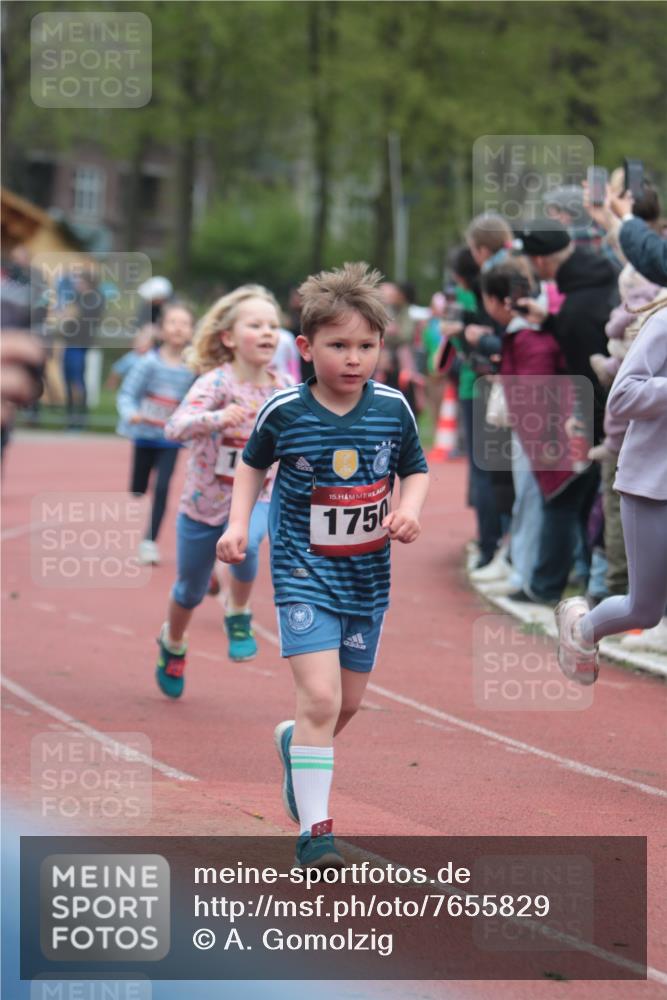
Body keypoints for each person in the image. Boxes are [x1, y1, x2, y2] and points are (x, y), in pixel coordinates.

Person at [217, 262, 429, 869]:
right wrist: (238, 525)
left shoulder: (393, 409)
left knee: (346, 705)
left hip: (367, 576)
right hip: (302, 572)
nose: (354, 358)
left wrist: (409, 511)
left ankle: (296, 747)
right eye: (339, 346)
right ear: (307, 348)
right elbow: (251, 465)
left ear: (382, 348)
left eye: (366, 346)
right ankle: (317, 831)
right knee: (318, 697)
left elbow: (414, 468)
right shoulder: (284, 411)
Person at [155, 285, 290, 697]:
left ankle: (239, 609)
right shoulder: (216, 382)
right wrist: (217, 419)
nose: (268, 332)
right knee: (190, 590)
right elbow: (174, 427)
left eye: (273, 325)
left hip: (257, 497)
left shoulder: (283, 387)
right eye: (256, 325)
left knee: (247, 544)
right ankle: (173, 642)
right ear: (229, 337)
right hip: (203, 503)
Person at [555, 299, 667, 683]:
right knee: (645, 610)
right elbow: (621, 396)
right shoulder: (663, 324)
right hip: (652, 486)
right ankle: (581, 630)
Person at [116, 302, 196, 565]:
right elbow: (127, 393)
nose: (178, 328)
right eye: (173, 322)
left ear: (191, 331)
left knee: (162, 488)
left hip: (169, 439)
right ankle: (138, 489)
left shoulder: (193, 367)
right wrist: (131, 413)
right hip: (143, 433)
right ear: (161, 330)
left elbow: (196, 400)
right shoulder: (148, 363)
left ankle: (149, 542)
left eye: (184, 324)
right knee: (138, 489)